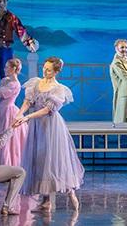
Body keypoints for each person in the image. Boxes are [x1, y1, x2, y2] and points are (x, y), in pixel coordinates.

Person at [13, 56, 83, 213]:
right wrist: (19, 114)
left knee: (54, 160)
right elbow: (28, 101)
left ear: (56, 72)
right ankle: (45, 201)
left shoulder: (59, 89)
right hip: (37, 126)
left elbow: (47, 110)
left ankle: (70, 190)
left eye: (49, 70)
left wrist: (27, 117)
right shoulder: (36, 83)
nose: (45, 71)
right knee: (39, 160)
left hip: (51, 126)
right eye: (44, 68)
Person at [0, 0, 38, 80]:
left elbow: (20, 30)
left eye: (4, 1)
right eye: (0, 1)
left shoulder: (11, 17)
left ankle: (11, 88)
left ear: (7, 3)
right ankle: (4, 88)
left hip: (6, 49)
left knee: (9, 73)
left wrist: (29, 42)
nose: (2, 3)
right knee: (1, 75)